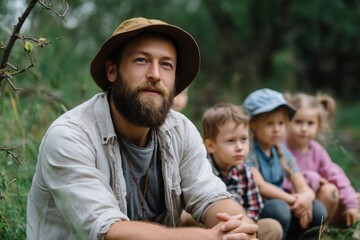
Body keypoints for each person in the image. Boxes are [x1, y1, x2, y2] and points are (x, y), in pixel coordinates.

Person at [26, 17, 258, 240]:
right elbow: (107, 230)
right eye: (141, 60)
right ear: (112, 71)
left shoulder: (181, 129)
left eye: (166, 65)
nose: (155, 75)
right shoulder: (71, 136)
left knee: (259, 230)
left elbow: (210, 196)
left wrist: (238, 225)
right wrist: (205, 237)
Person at [243, 88, 327, 240]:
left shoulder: (281, 150)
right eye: (270, 123)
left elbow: (301, 183)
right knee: (279, 209)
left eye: (281, 123)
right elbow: (261, 186)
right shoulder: (248, 150)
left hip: (286, 203)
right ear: (252, 124)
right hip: (261, 208)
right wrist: (294, 200)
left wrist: (306, 197)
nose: (277, 129)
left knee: (317, 209)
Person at [201, 102, 283, 240]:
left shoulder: (245, 171)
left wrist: (240, 225)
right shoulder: (202, 169)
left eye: (244, 139)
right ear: (211, 146)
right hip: (210, 229)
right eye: (231, 141)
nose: (239, 147)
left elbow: (254, 206)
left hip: (240, 227)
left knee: (272, 227)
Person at [284, 92, 360, 228]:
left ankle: (318, 231)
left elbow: (336, 176)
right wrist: (313, 179)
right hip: (289, 204)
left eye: (310, 123)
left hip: (315, 207)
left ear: (319, 126)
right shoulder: (280, 148)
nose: (304, 129)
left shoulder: (317, 151)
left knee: (332, 191)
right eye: (298, 122)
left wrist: (351, 204)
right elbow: (279, 181)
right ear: (287, 121)